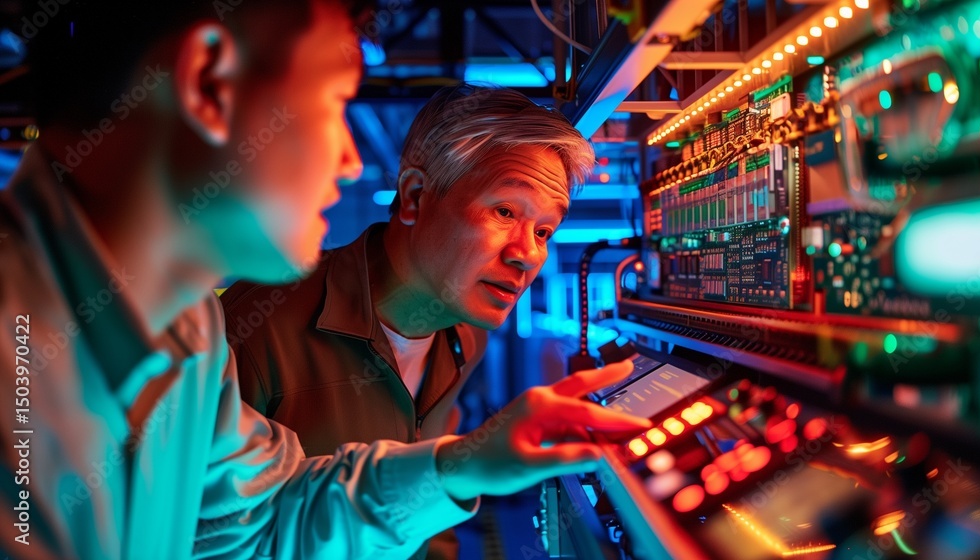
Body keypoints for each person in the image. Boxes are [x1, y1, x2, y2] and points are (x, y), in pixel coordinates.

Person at [0, 2, 649, 559]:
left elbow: (265, 521)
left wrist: (463, 464)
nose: (347, 159)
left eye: (545, 231)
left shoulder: (188, 331)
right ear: (208, 82)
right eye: (335, 101)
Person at [221, 84, 591, 559]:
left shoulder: (465, 337)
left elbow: (427, 501)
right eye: (504, 212)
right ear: (415, 195)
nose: (527, 254)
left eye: (543, 231)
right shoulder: (257, 326)